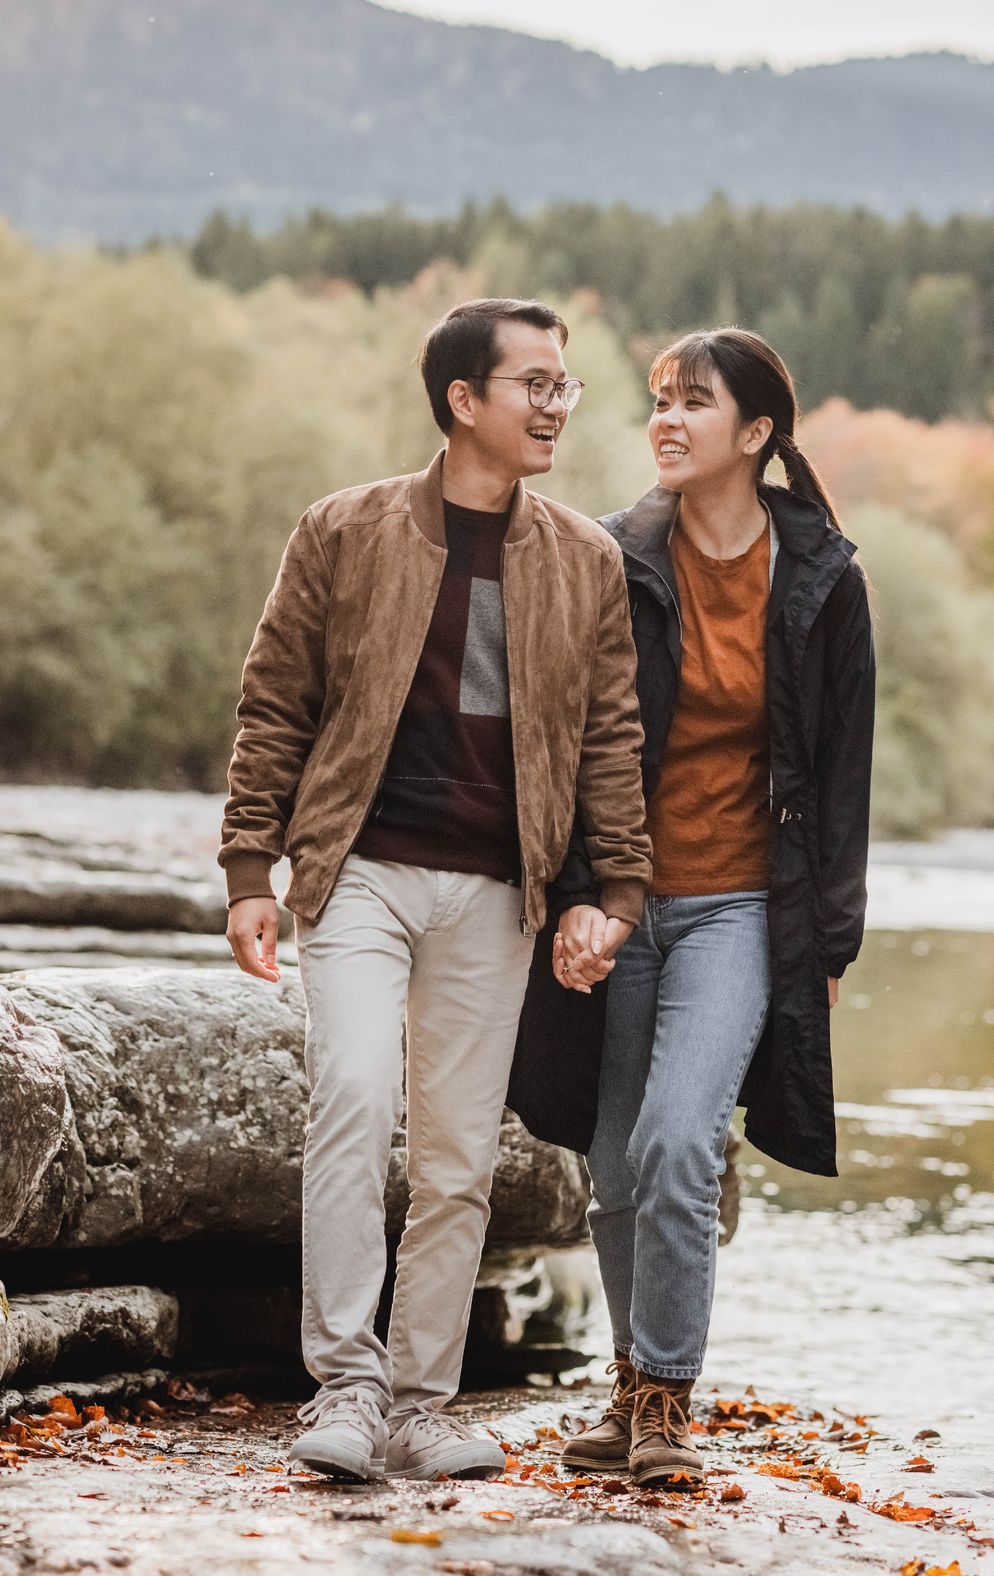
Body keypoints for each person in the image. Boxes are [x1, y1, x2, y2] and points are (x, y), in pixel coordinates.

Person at [220, 298, 651, 1484]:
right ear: (465, 401)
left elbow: (611, 737)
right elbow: (274, 706)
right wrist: (250, 866)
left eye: (565, 385)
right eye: (537, 384)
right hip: (356, 870)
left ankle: (419, 1402)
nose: (559, 404)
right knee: (353, 1099)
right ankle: (346, 1386)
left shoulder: (586, 559)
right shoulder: (342, 530)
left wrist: (614, 885)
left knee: (459, 1155)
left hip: (494, 892)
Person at [509, 327, 875, 1489]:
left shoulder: (825, 579)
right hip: (620, 906)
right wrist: (573, 900)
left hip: (737, 913)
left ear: (756, 433)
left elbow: (844, 776)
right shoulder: (613, 556)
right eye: (659, 400)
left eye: (694, 403)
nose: (665, 420)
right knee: (616, 1160)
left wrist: (829, 940)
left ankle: (668, 1398)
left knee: (676, 1137)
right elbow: (570, 746)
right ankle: (630, 1397)